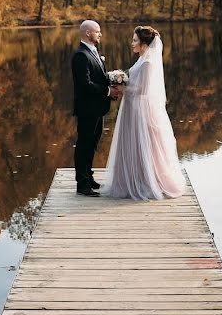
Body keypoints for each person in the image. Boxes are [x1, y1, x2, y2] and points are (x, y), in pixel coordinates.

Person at [101, 26, 185, 200]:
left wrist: (122, 87)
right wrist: (121, 80)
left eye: (135, 40)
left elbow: (143, 90)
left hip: (140, 109)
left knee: (142, 143)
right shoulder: (141, 59)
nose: (132, 44)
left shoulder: (148, 63)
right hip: (132, 107)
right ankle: (130, 179)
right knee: (133, 142)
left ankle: (144, 181)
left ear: (144, 43)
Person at [71, 20, 121, 196]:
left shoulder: (93, 52)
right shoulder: (81, 55)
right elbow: (85, 84)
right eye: (97, 31)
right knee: (84, 144)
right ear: (87, 34)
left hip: (97, 109)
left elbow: (97, 77)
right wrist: (108, 91)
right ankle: (82, 184)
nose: (100, 34)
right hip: (87, 109)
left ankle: (89, 177)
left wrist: (114, 79)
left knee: (92, 143)